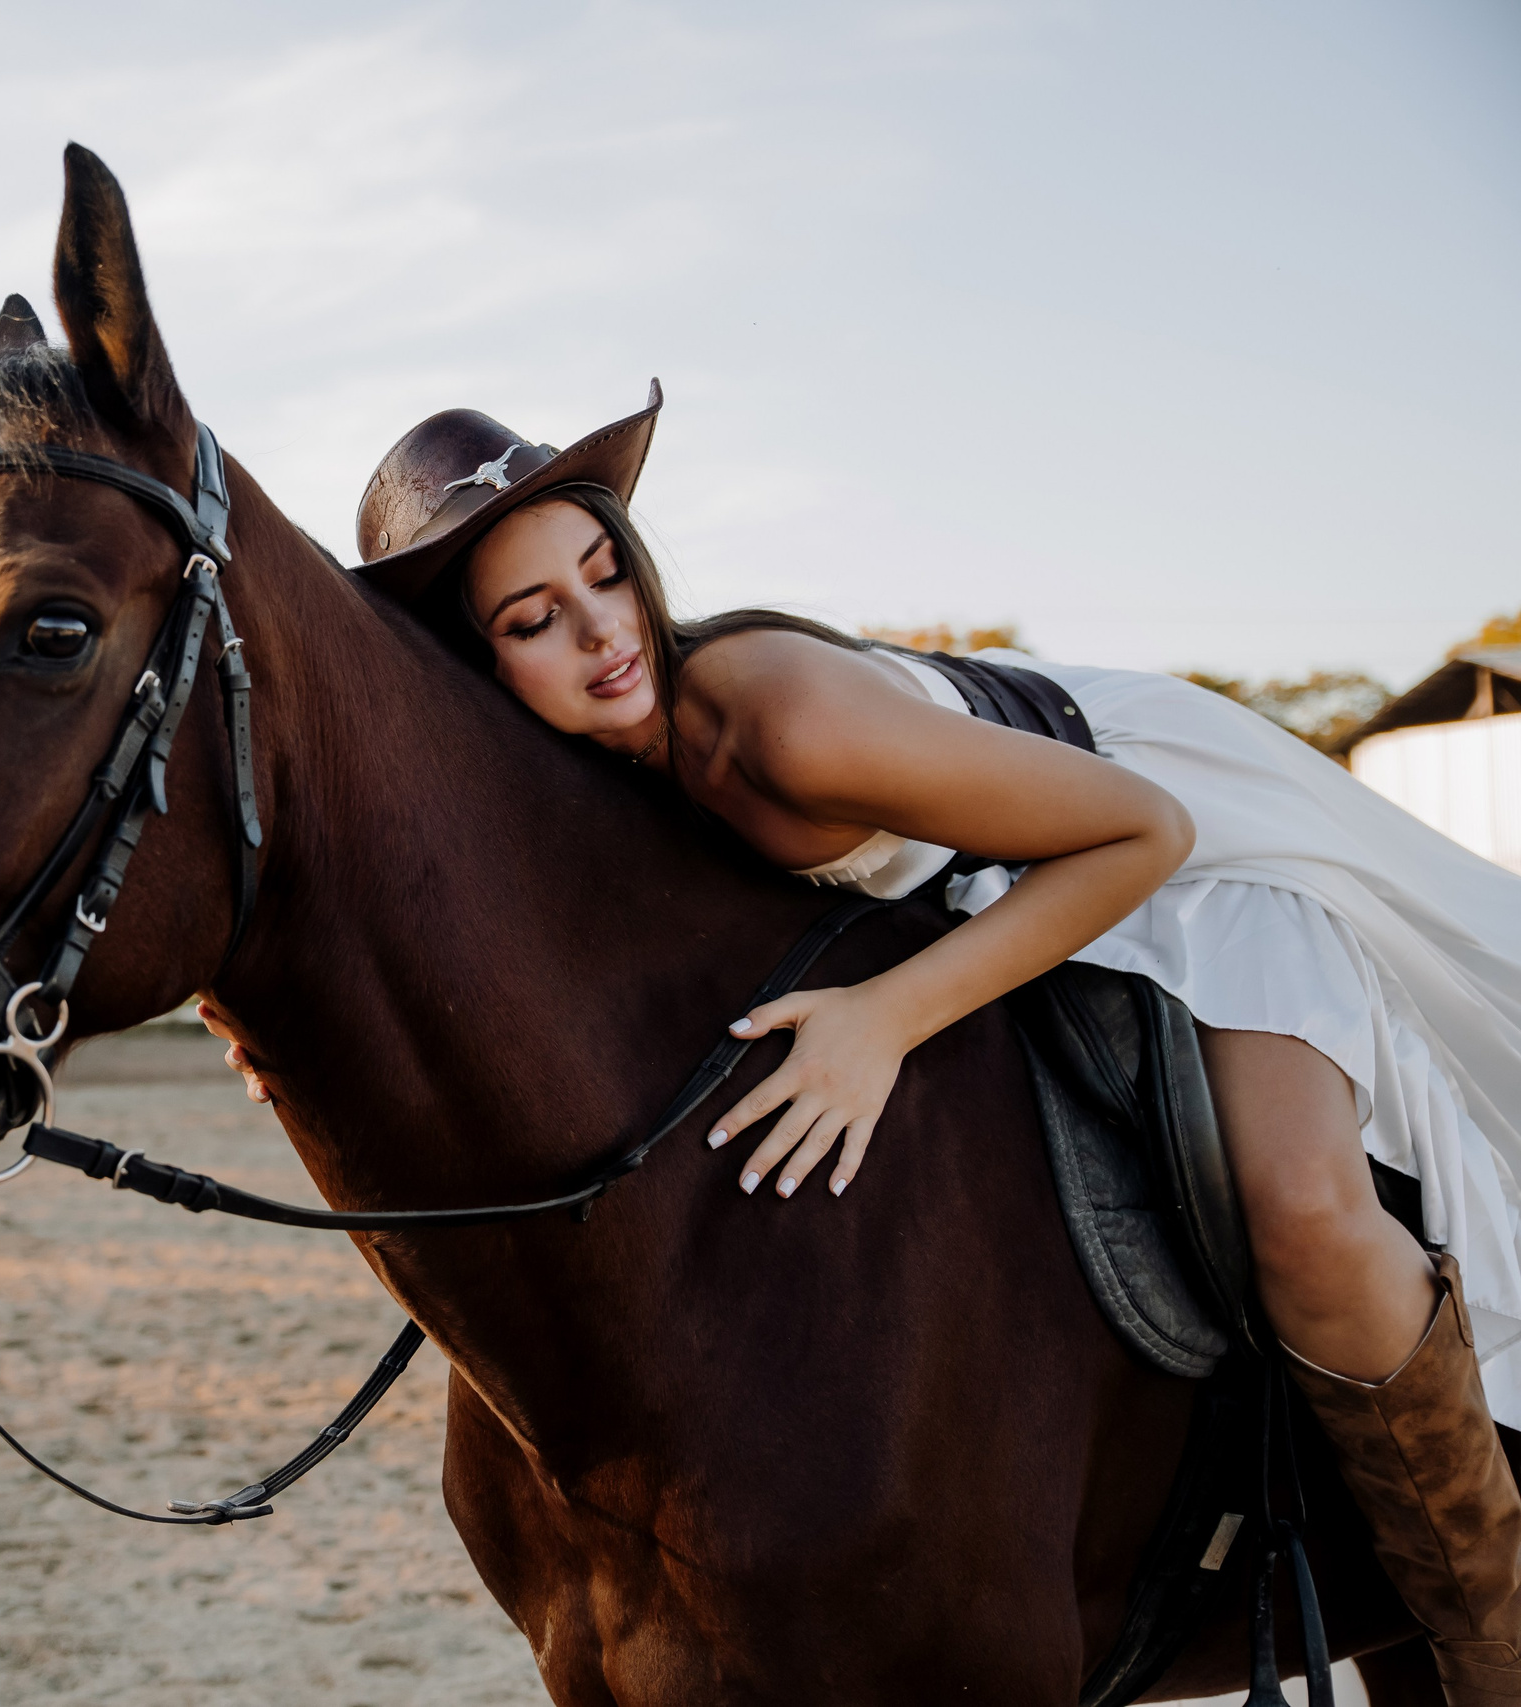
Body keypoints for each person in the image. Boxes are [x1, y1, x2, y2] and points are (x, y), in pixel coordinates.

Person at [198, 383, 1521, 1701]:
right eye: (537, 621)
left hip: (1179, 856)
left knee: (1302, 1208)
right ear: (480, 672)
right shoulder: (588, 777)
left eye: (604, 574)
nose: (604, 632)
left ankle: (1490, 1633)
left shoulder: (772, 719)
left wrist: (888, 1020)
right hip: (995, 867)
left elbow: (1145, 835)